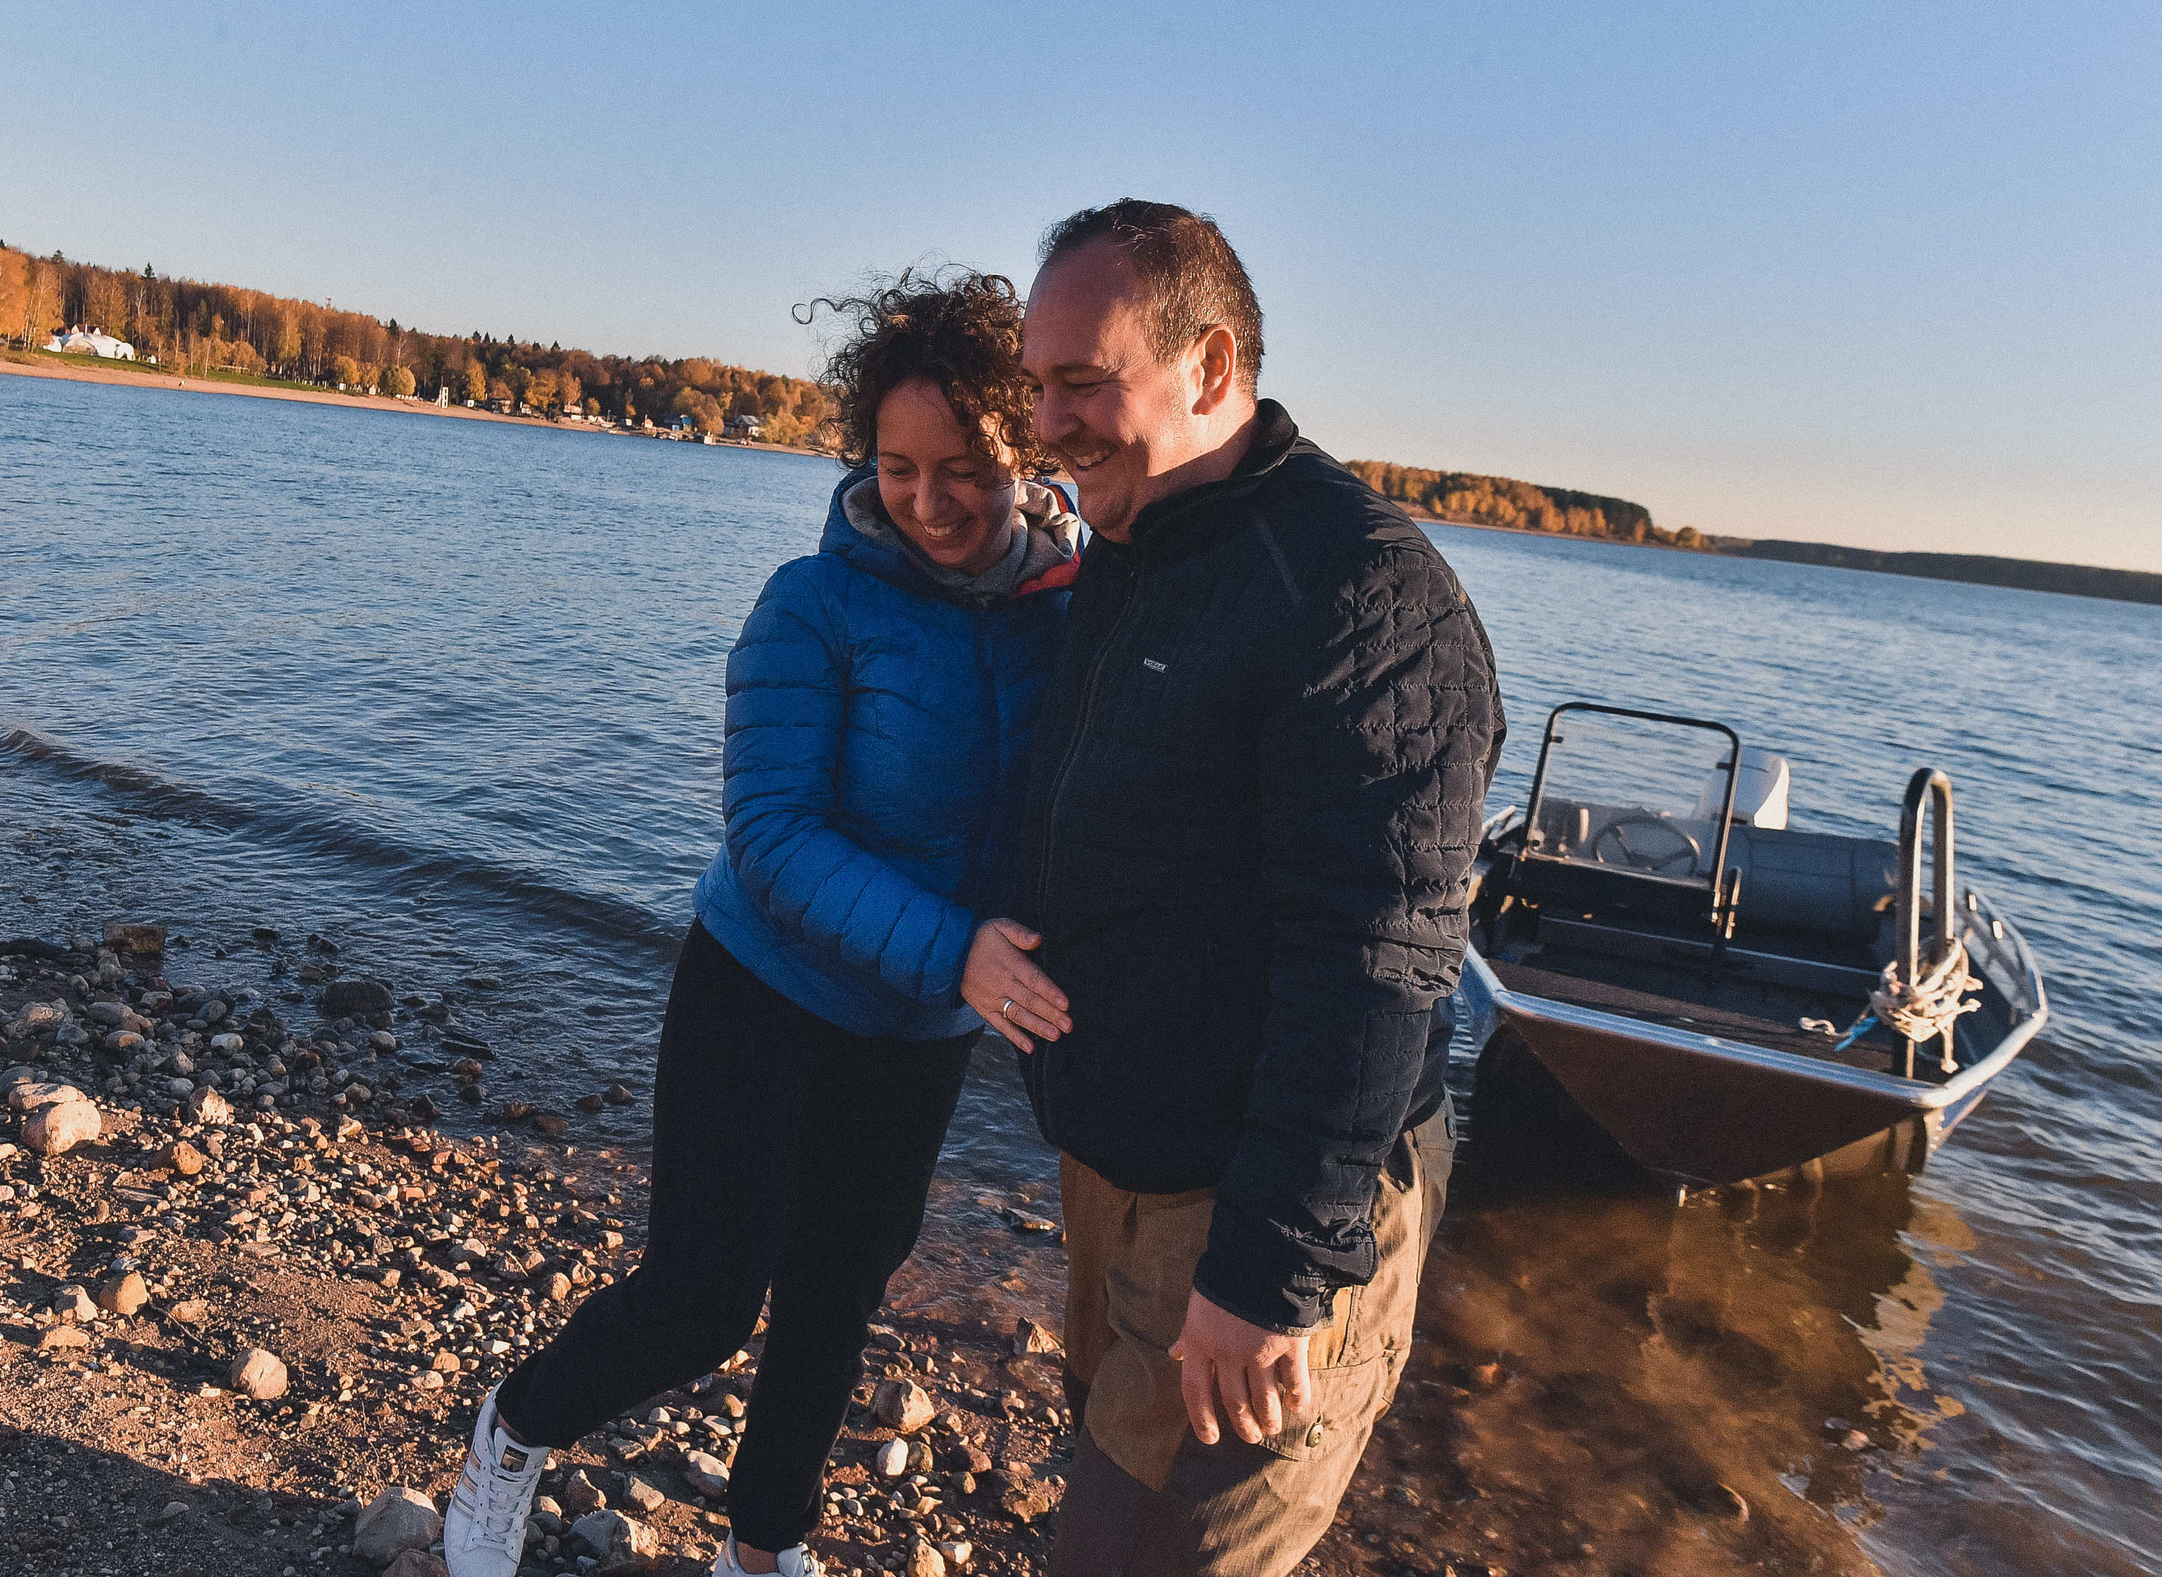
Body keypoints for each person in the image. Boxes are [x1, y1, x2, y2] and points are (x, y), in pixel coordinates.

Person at [444, 268, 1083, 1577]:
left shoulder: (1076, 615)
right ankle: (513, 1431)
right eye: (898, 468)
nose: (929, 501)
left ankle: (763, 1546)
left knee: (839, 1295)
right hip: (762, 990)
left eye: (963, 468)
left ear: (1024, 451)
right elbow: (773, 837)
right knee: (704, 1297)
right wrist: (959, 950)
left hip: (921, 1033)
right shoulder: (813, 603)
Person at [1001, 200, 1504, 1577]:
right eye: (1035, 384)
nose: (1046, 422)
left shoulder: (1362, 597)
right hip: (1122, 1175)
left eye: (1081, 382)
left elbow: (1379, 962)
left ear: (1211, 365)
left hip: (1249, 1207)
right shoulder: (1138, 549)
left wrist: (1268, 1272)